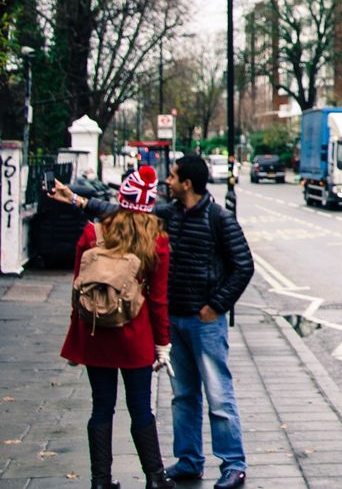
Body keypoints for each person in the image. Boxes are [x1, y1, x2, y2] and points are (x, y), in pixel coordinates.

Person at [52, 154, 253, 489]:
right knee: (178, 397)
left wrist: (216, 305)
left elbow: (243, 265)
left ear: (187, 183)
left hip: (201, 321)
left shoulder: (219, 218)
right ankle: (180, 465)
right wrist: (76, 199)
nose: (167, 182)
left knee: (218, 396)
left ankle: (232, 464)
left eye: (173, 177)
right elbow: (123, 215)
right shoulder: (163, 220)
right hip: (161, 324)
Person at [59, 166, 176, 489]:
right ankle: (155, 477)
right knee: (140, 407)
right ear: (149, 204)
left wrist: (75, 339)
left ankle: (100, 481)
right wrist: (162, 344)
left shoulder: (93, 233)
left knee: (101, 407)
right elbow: (158, 300)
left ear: (121, 200)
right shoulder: (157, 240)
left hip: (95, 333)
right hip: (134, 337)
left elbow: (77, 288)